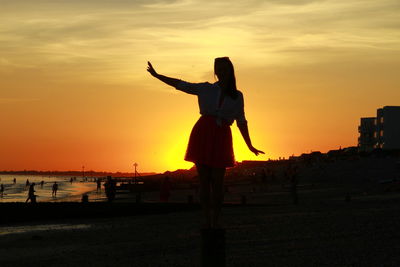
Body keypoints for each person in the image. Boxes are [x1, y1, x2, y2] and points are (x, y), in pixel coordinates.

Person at [147, 58, 264, 228]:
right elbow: (180, 84)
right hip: (203, 132)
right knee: (204, 181)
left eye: (226, 69)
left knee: (218, 182)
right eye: (219, 69)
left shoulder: (238, 96)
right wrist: (157, 76)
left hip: (222, 136)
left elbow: (241, 121)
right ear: (216, 72)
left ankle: (215, 220)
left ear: (231, 71)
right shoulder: (206, 88)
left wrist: (250, 145)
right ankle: (206, 219)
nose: (223, 72)